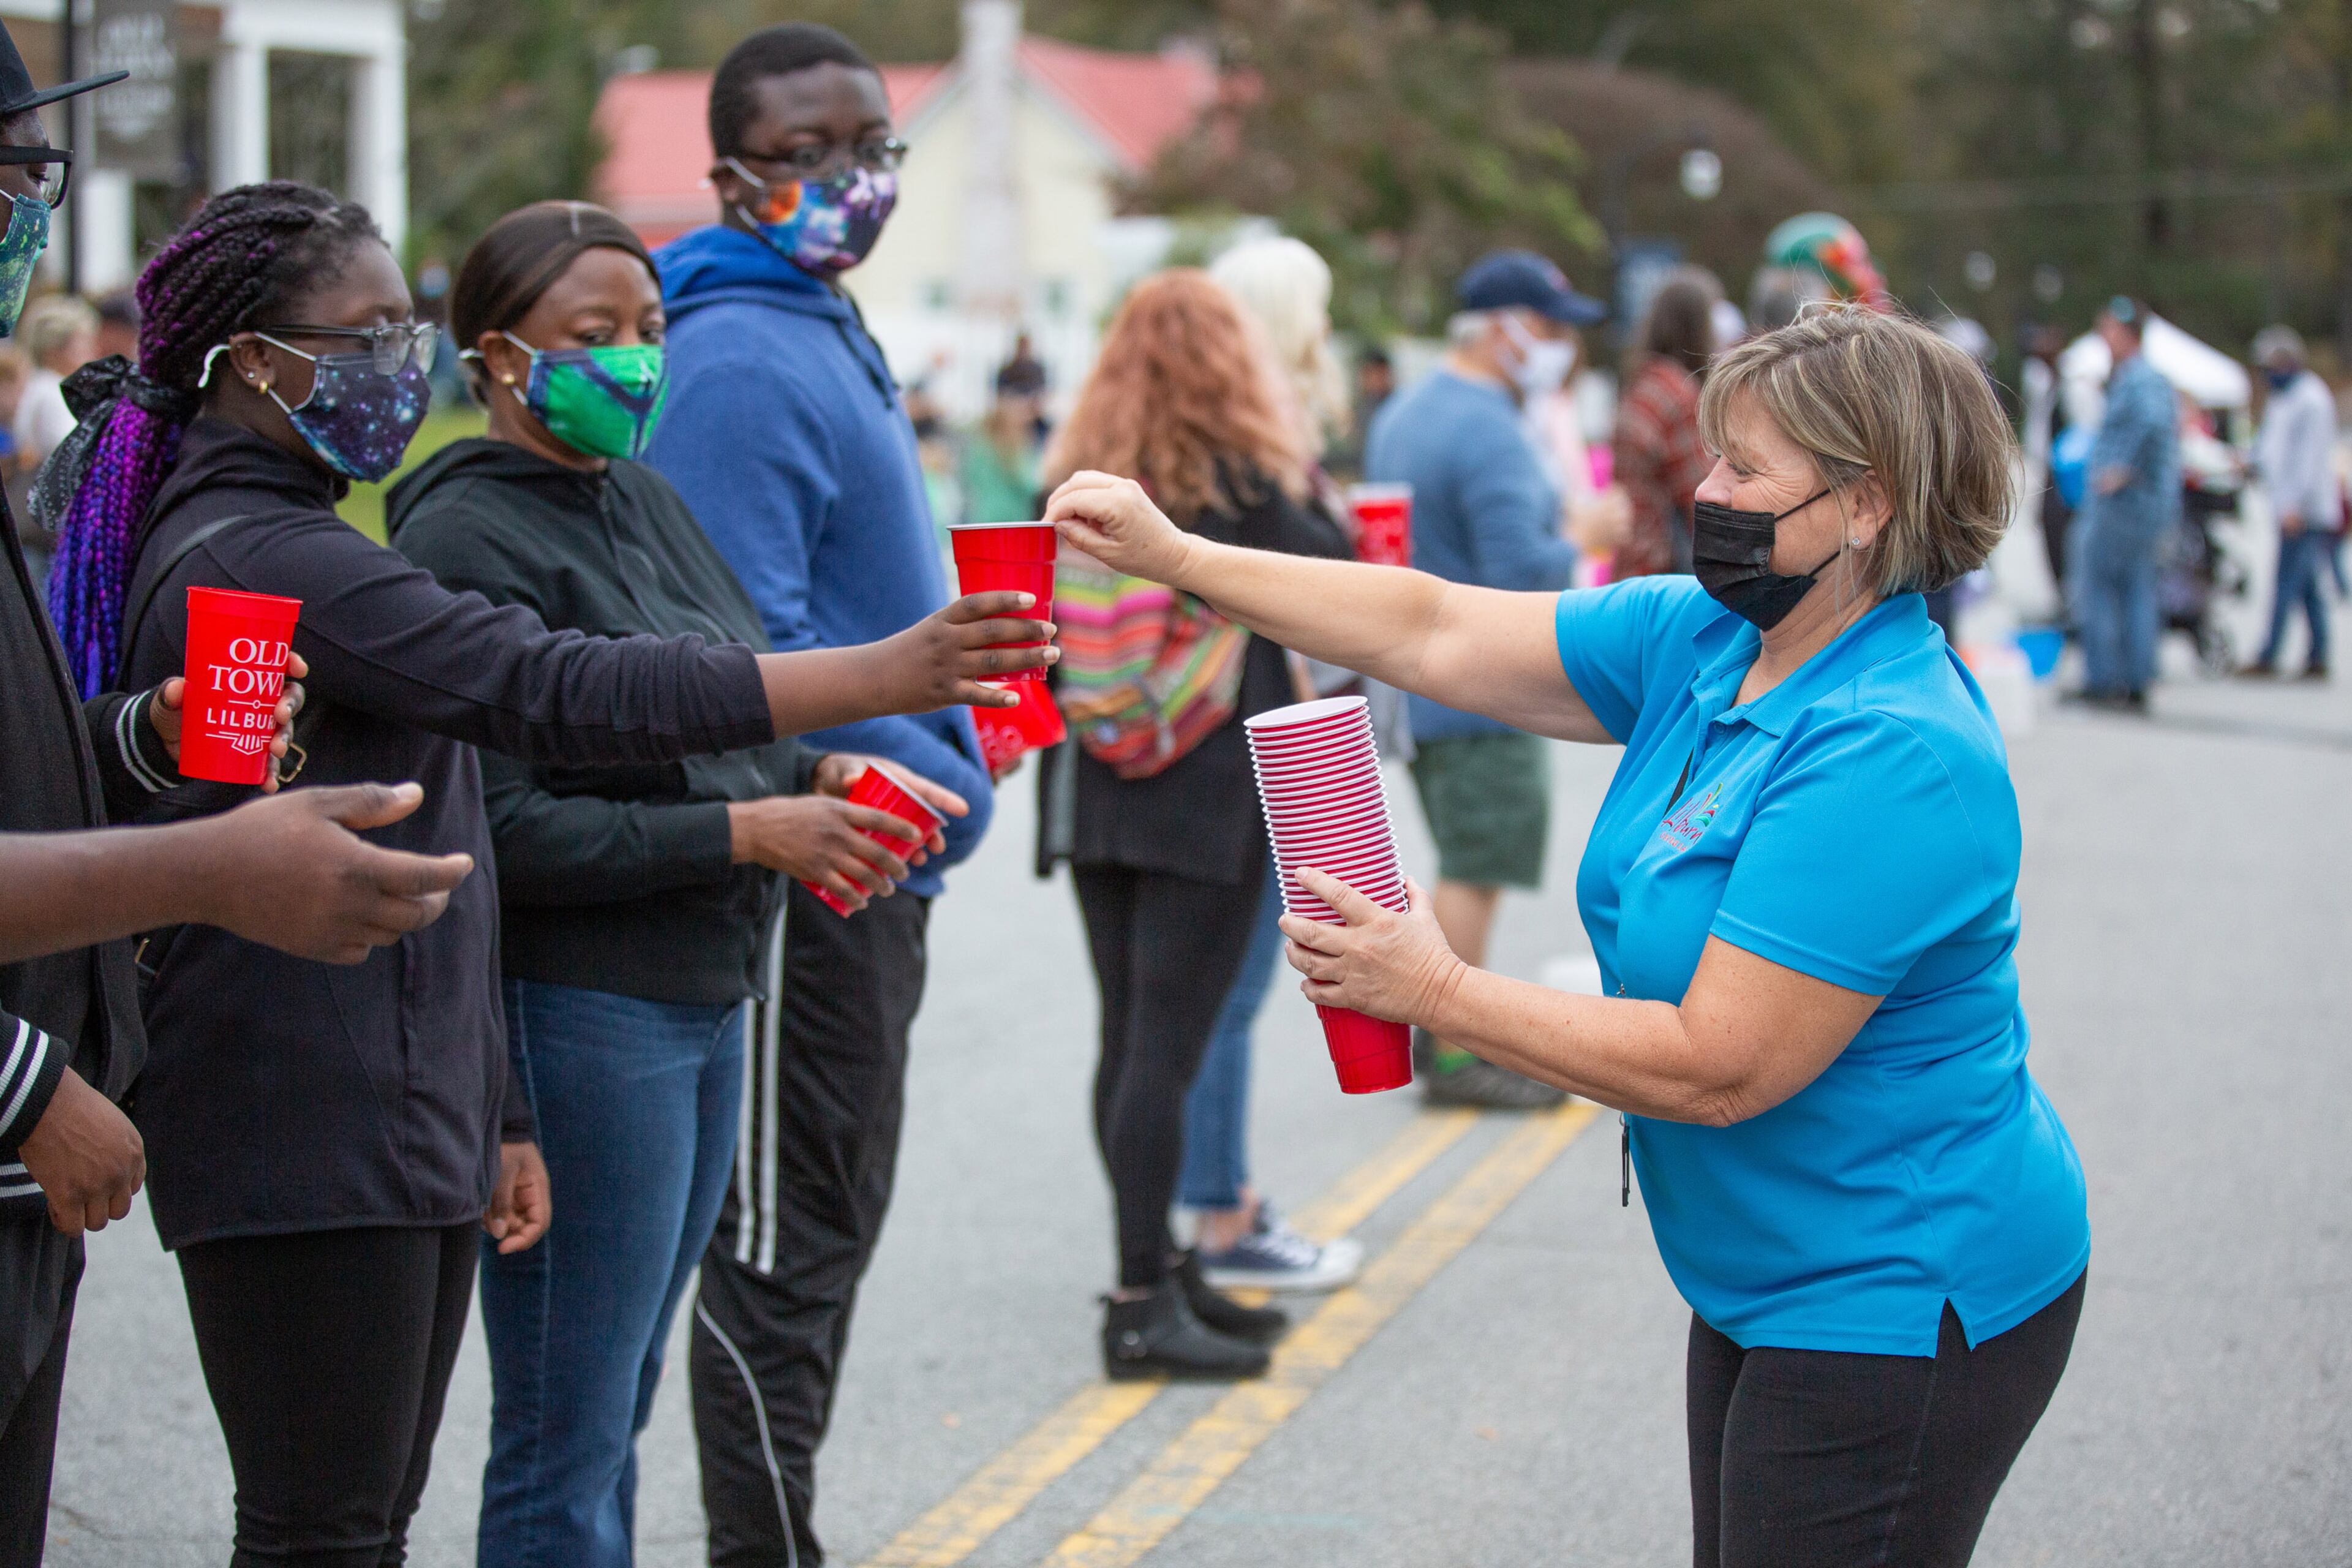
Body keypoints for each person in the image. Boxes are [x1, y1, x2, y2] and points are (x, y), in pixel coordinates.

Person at [39, 179, 1048, 1567]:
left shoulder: (331, 536)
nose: (400, 369)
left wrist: (494, 1103)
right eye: (369, 340)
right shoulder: (282, 551)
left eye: (403, 331)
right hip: (320, 1094)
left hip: (407, 1085)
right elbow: (545, 690)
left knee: (388, 1504)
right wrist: (880, 676)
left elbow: (431, 809)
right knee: (364, 1511)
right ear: (256, 362)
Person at [1046, 303, 2088, 1568]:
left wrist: (1434, 985)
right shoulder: (1708, 638)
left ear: (1865, 506)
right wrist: (1182, 556)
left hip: (1898, 1286)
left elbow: (1721, 1061)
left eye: (1745, 469)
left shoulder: (1893, 745)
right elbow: (1428, 624)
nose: (1705, 490)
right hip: (1772, 1269)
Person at [388, 200, 965, 1568]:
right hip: (583, 1014)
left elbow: (717, 704)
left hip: (706, 999)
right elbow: (497, 831)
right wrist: (750, 836)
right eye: (597, 338)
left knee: (626, 1391)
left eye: (651, 333)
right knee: (566, 1425)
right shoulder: (464, 542)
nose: (638, 363)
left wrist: (813, 773)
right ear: (500, 358)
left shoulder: (642, 496)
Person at [0, 34, 481, 1561]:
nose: (26, 210)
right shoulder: (248, 549)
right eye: (10, 178)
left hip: (352, 1106)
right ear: (252, 363)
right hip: (272, 1106)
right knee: (323, 1517)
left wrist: (141, 743)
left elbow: (53, 755)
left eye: (36, 180)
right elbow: (543, 678)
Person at [640, 25, 1008, 1564]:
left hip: (881, 861)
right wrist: (929, 776)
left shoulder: (814, 316)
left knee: (823, 1233)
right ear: (729, 175)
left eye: (872, 146)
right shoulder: (737, 352)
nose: (850, 179)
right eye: (806, 154)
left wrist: (968, 740)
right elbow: (734, 645)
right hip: (817, 864)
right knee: (781, 1253)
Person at [1038, 269, 1351, 1376]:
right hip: (1208, 794)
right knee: (1166, 1051)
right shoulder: (1241, 478)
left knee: (1130, 1040)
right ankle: (1140, 1303)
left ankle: (1161, 1271)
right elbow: (1339, 573)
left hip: (1094, 792)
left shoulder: (1080, 475)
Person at [1158, 235, 1360, 1294]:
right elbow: (1319, 572)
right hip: (1247, 744)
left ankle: (1210, 1206)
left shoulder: (1188, 435)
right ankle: (1222, 1214)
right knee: (1224, 991)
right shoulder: (1242, 443)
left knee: (1206, 993)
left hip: (1227, 740)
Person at [1364, 249, 1597, 1110]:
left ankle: (1449, 1035)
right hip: (1484, 689)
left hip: (1416, 684)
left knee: (1464, 855)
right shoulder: (1490, 427)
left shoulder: (1408, 411)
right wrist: (1582, 532)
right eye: (1549, 329)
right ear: (1505, 330)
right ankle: (1455, 1048)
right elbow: (1522, 571)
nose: (1561, 349)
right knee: (1477, 864)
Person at [2070, 297, 2180, 710]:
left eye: (2110, 330)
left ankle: (2104, 680)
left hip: (2125, 507)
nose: (2104, 338)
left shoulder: (2139, 378)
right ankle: (2135, 679)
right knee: (2138, 591)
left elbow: (2150, 423)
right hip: (2143, 507)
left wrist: (2121, 469)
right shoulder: (2142, 378)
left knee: (2101, 587)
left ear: (2128, 333)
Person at [1613, 266, 1721, 579]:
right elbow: (1699, 495)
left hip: (1633, 555)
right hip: (1664, 562)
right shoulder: (1677, 393)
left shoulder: (1643, 382)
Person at [2244, 325, 2335, 680]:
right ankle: (2319, 656)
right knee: (2307, 587)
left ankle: (2269, 655)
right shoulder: (2283, 399)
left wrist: (2295, 505)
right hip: (2286, 505)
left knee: (2286, 583)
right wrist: (2250, 462)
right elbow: (2272, 448)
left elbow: (2310, 460)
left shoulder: (2312, 399)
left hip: (2304, 510)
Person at [960, 361, 1044, 524]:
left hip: (981, 521)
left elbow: (969, 478)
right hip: (1010, 525)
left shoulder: (981, 437)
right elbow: (1032, 484)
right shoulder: (1016, 441)